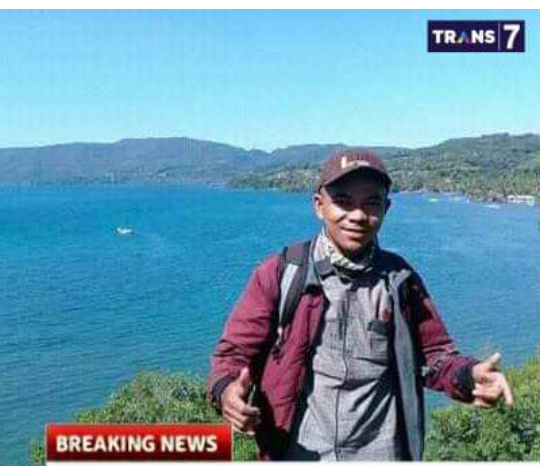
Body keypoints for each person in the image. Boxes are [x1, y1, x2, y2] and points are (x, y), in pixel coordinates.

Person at [207, 148, 513, 461]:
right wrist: (227, 390)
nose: (357, 215)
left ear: (386, 208)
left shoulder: (399, 280)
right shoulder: (281, 273)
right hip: (297, 452)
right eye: (343, 201)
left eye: (371, 203)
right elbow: (234, 352)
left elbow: (435, 356)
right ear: (319, 206)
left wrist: (469, 376)